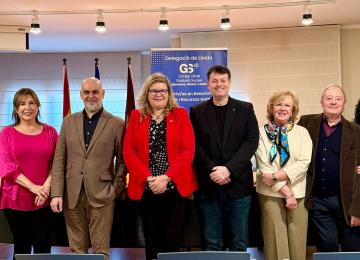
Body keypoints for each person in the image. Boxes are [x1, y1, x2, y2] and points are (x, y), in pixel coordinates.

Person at [123, 73, 197, 260]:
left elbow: (188, 151)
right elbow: (128, 152)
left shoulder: (180, 115)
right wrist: (149, 178)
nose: (158, 94)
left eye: (162, 91)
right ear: (147, 93)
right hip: (147, 188)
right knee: (151, 240)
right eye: (154, 90)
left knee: (173, 241)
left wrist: (166, 177)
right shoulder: (136, 116)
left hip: (174, 187)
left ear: (169, 93)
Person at [50, 77, 125, 260]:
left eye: (95, 92)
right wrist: (56, 193)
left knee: (101, 252)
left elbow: (123, 161)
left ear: (103, 94)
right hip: (71, 195)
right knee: (77, 252)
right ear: (81, 95)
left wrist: (115, 187)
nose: (91, 96)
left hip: (102, 195)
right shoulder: (68, 122)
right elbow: (59, 159)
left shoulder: (117, 123)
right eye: (87, 92)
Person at [190, 65, 259, 251]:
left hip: (238, 186)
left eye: (222, 81)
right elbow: (194, 145)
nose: (218, 84)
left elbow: (251, 141)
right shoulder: (196, 111)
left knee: (239, 242)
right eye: (214, 81)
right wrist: (214, 170)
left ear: (229, 83)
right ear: (208, 84)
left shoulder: (245, 108)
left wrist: (229, 169)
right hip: (208, 185)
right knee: (211, 242)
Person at [298, 84, 360, 252]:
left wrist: (357, 210)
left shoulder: (356, 131)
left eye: (338, 99)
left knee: (352, 249)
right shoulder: (306, 123)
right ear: (322, 102)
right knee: (327, 247)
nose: (333, 102)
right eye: (329, 98)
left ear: (344, 103)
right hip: (318, 201)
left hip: (346, 202)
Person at [0, 88, 58, 258]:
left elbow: (57, 162)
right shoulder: (6, 134)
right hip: (15, 199)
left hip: (44, 199)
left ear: (38, 106)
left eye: (32, 102)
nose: (27, 107)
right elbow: (6, 166)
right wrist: (34, 188)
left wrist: (45, 188)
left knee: (43, 245)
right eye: (22, 103)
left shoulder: (50, 132)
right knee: (22, 245)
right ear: (16, 109)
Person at [255, 90, 312, 260]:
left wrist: (280, 176)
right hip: (270, 193)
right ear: (271, 108)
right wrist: (285, 191)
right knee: (275, 240)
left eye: (287, 105)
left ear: (293, 110)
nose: (282, 108)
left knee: (298, 241)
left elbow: (304, 162)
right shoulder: (260, 132)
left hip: (298, 192)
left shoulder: (302, 132)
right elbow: (264, 166)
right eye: (278, 104)